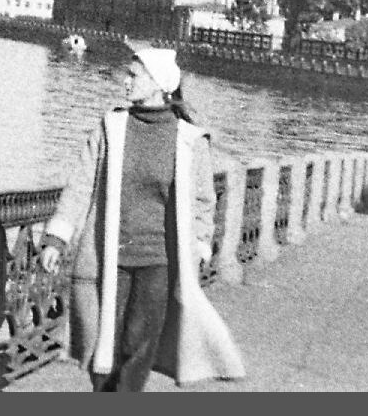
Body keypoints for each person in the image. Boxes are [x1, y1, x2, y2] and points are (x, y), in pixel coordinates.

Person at [38, 45, 245, 391]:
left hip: (160, 261)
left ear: (159, 83)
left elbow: (202, 201)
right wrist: (57, 238)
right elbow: (81, 185)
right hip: (108, 256)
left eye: (133, 75)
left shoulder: (189, 140)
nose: (125, 80)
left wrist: (199, 246)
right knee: (101, 344)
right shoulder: (110, 128)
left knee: (138, 345)